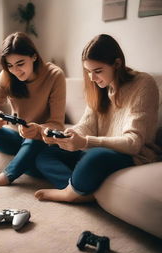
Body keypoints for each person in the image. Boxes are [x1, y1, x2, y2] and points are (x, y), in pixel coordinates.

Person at [34, 34, 159, 203]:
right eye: (88, 72)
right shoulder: (100, 88)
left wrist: (85, 142)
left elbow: (133, 143)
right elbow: (85, 126)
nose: (92, 78)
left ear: (117, 64)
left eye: (98, 71)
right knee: (44, 154)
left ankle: (70, 193)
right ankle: (82, 191)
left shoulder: (143, 83)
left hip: (132, 155)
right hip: (97, 150)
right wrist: (62, 136)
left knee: (95, 157)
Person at [0, 32, 66, 196]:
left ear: (33, 57)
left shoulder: (55, 75)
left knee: (35, 139)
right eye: (10, 65)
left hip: (42, 140)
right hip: (17, 137)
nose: (15, 71)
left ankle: (4, 177)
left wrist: (38, 129)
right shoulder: (7, 75)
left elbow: (58, 124)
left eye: (20, 63)